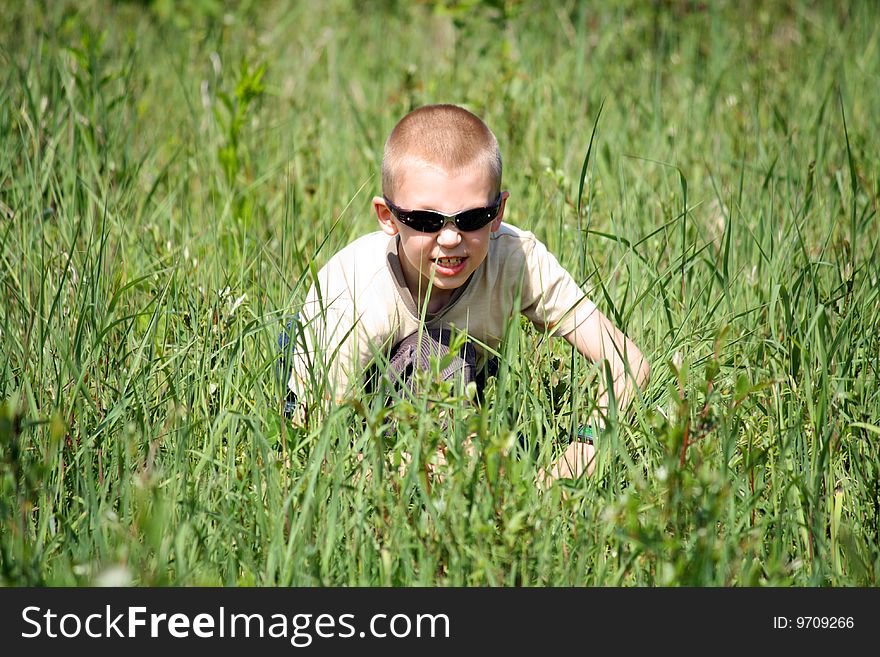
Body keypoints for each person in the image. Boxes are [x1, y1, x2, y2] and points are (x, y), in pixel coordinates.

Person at [284, 104, 650, 484]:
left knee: (481, 408)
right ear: (387, 217)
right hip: (336, 389)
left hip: (460, 377)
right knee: (438, 354)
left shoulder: (516, 259)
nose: (450, 239)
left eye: (472, 218)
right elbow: (314, 438)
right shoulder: (355, 294)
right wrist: (396, 468)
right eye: (425, 221)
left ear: (497, 213)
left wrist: (571, 465)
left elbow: (628, 364)